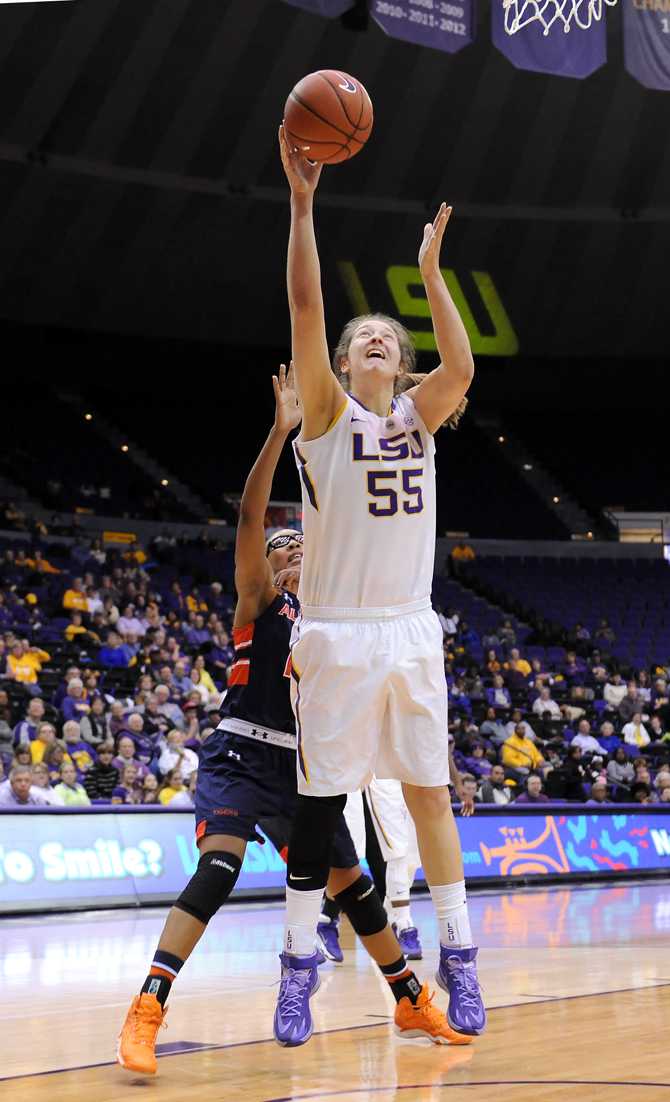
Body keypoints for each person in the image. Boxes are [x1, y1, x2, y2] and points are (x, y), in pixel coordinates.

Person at [118, 369, 463, 1077]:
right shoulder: (259, 601)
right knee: (220, 866)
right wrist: (281, 432)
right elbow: (248, 521)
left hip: (307, 769)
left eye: (301, 545)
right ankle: (149, 1005)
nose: (294, 550)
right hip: (241, 756)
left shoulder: (334, 613)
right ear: (270, 567)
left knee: (355, 886)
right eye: (285, 548)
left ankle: (408, 997)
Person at [273, 126, 483, 1047]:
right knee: (320, 807)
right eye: (358, 338)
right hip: (334, 630)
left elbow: (465, 367)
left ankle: (460, 957)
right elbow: (308, 308)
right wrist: (303, 204)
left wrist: (432, 275)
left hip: (406, 627)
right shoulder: (323, 417)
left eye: (379, 341)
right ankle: (296, 966)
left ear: (396, 364)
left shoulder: (420, 417)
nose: (363, 343)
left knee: (429, 796)